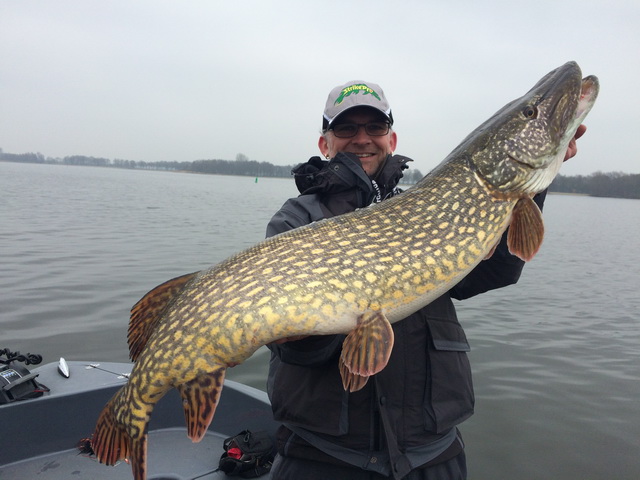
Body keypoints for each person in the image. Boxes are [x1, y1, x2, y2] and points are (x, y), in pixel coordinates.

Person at [265, 81, 585, 480]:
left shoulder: (435, 206)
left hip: (430, 454)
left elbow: (497, 269)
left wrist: (533, 186)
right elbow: (294, 351)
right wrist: (316, 325)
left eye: (375, 128)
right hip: (321, 456)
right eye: (346, 129)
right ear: (325, 143)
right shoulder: (297, 220)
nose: (362, 139)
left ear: (391, 139)